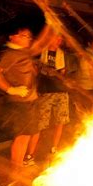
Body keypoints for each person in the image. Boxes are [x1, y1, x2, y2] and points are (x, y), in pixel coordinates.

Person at [0, 22, 54, 171]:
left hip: (31, 100)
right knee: (22, 137)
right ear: (12, 37)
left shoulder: (23, 52)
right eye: (24, 36)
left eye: (29, 36)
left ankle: (20, 166)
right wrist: (10, 89)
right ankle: (15, 172)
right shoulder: (9, 54)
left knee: (29, 134)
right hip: (20, 102)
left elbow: (40, 45)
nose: (28, 39)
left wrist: (50, 25)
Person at [24, 35, 70, 165]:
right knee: (40, 124)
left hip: (60, 92)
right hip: (45, 92)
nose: (58, 41)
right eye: (56, 38)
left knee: (60, 122)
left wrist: (57, 75)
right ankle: (29, 155)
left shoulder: (62, 55)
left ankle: (53, 150)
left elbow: (63, 73)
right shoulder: (40, 52)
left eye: (60, 39)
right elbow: (34, 70)